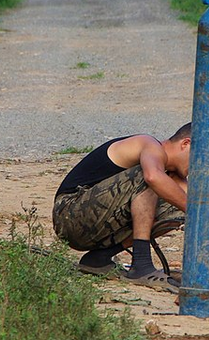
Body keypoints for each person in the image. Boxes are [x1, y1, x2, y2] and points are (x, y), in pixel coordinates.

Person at [53, 123, 191, 291]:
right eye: (199, 158)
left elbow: (198, 205)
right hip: (69, 214)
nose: (197, 167)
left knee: (179, 205)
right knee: (151, 176)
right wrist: (195, 212)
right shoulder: (149, 145)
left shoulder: (171, 173)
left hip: (96, 229)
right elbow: (152, 177)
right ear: (185, 144)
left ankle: (99, 258)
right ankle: (142, 265)